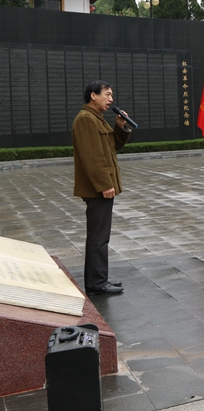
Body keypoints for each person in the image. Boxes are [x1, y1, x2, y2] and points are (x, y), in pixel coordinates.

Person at [73, 81, 132, 295]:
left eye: (111, 95)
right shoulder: (86, 120)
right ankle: (96, 284)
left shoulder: (97, 119)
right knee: (98, 236)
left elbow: (112, 146)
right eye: (107, 95)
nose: (111, 99)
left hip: (102, 186)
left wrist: (120, 125)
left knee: (101, 235)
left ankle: (99, 279)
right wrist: (105, 184)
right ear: (93, 95)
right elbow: (92, 157)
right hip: (97, 188)